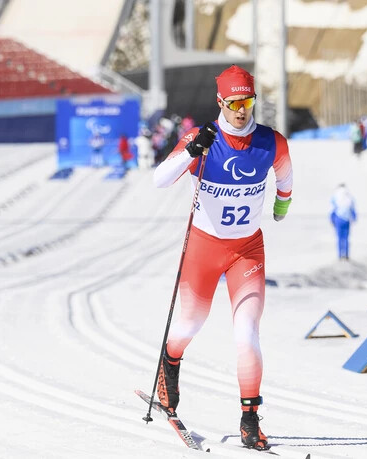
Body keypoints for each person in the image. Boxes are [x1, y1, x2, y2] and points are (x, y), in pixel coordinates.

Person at [152, 65, 292, 451]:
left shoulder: (271, 142)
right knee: (191, 324)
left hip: (247, 251)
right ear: (220, 102)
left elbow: (286, 177)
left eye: (247, 101)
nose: (241, 110)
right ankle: (169, 364)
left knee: (246, 333)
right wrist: (189, 155)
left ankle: (250, 420)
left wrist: (282, 205)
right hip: (203, 248)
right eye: (233, 103)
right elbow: (158, 180)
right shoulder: (202, 138)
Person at [330, 183, 357, 260]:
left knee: (339, 238)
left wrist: (332, 219)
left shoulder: (335, 196)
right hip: (347, 219)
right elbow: (353, 208)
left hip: (338, 218)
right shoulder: (349, 196)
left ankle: (340, 255)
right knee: (346, 238)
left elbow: (332, 208)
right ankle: (346, 254)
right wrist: (354, 218)